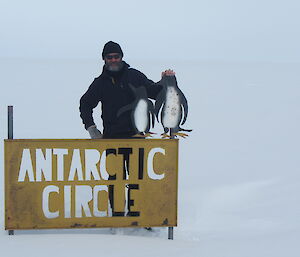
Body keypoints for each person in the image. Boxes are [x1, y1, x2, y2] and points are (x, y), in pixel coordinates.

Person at [79, 41, 175, 139]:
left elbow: (155, 93)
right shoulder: (100, 83)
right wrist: (91, 128)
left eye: (116, 56)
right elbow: (85, 104)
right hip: (111, 140)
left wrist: (166, 82)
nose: (113, 60)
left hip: (137, 138)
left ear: (121, 57)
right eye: (109, 57)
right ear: (104, 59)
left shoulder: (135, 76)